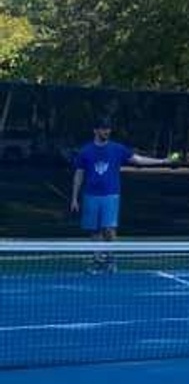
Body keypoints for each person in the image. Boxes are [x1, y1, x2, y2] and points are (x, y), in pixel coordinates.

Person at [70, 116, 176, 273]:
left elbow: (138, 160)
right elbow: (79, 174)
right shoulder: (85, 151)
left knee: (109, 229)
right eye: (103, 128)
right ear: (96, 130)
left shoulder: (117, 149)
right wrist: (74, 198)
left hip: (111, 195)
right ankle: (97, 260)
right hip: (90, 195)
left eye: (108, 128)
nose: (107, 131)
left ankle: (111, 259)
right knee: (94, 231)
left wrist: (162, 161)